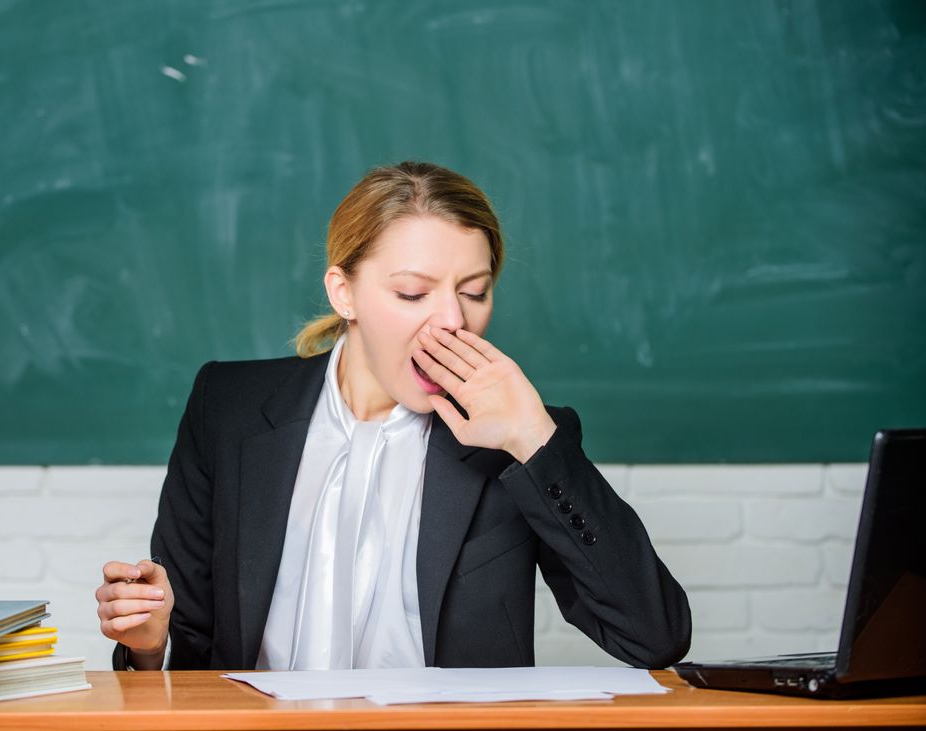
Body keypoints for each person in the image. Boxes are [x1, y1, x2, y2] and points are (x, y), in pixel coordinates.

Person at [96, 161, 691, 671]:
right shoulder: (227, 408)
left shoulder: (520, 438)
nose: (452, 322)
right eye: (412, 293)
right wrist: (148, 646)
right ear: (343, 293)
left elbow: (654, 638)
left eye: (475, 291)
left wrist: (534, 440)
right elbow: (191, 651)